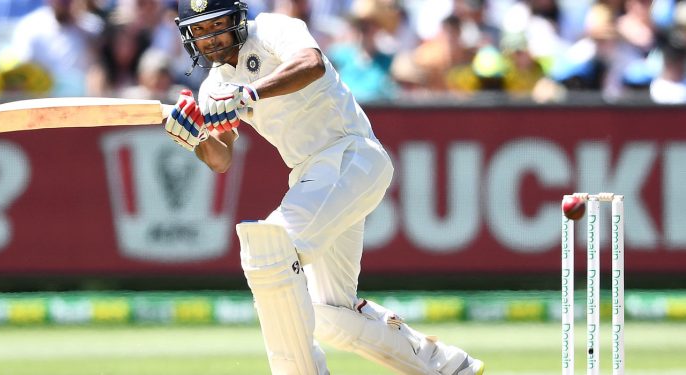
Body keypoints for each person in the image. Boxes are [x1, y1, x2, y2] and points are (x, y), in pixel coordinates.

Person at [163, 1, 485, 374]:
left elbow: (311, 64)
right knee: (326, 314)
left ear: (235, 18)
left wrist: (249, 94)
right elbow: (222, 158)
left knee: (270, 250)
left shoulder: (270, 29)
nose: (210, 38)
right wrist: (196, 137)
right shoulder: (213, 87)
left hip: (349, 153)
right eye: (200, 31)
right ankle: (447, 366)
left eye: (216, 25)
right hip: (312, 174)